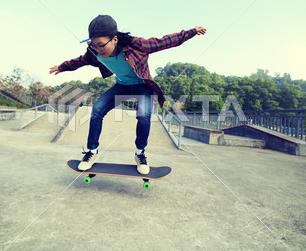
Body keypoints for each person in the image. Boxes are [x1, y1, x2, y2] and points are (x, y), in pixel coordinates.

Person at [50, 15, 206, 174]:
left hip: (142, 86)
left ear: (115, 39)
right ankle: (92, 151)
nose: (98, 49)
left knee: (144, 115)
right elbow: (79, 61)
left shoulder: (136, 45)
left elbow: (166, 41)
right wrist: (61, 67)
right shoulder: (94, 52)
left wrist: (192, 32)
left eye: (101, 45)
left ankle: (140, 153)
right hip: (122, 86)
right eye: (94, 45)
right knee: (97, 110)